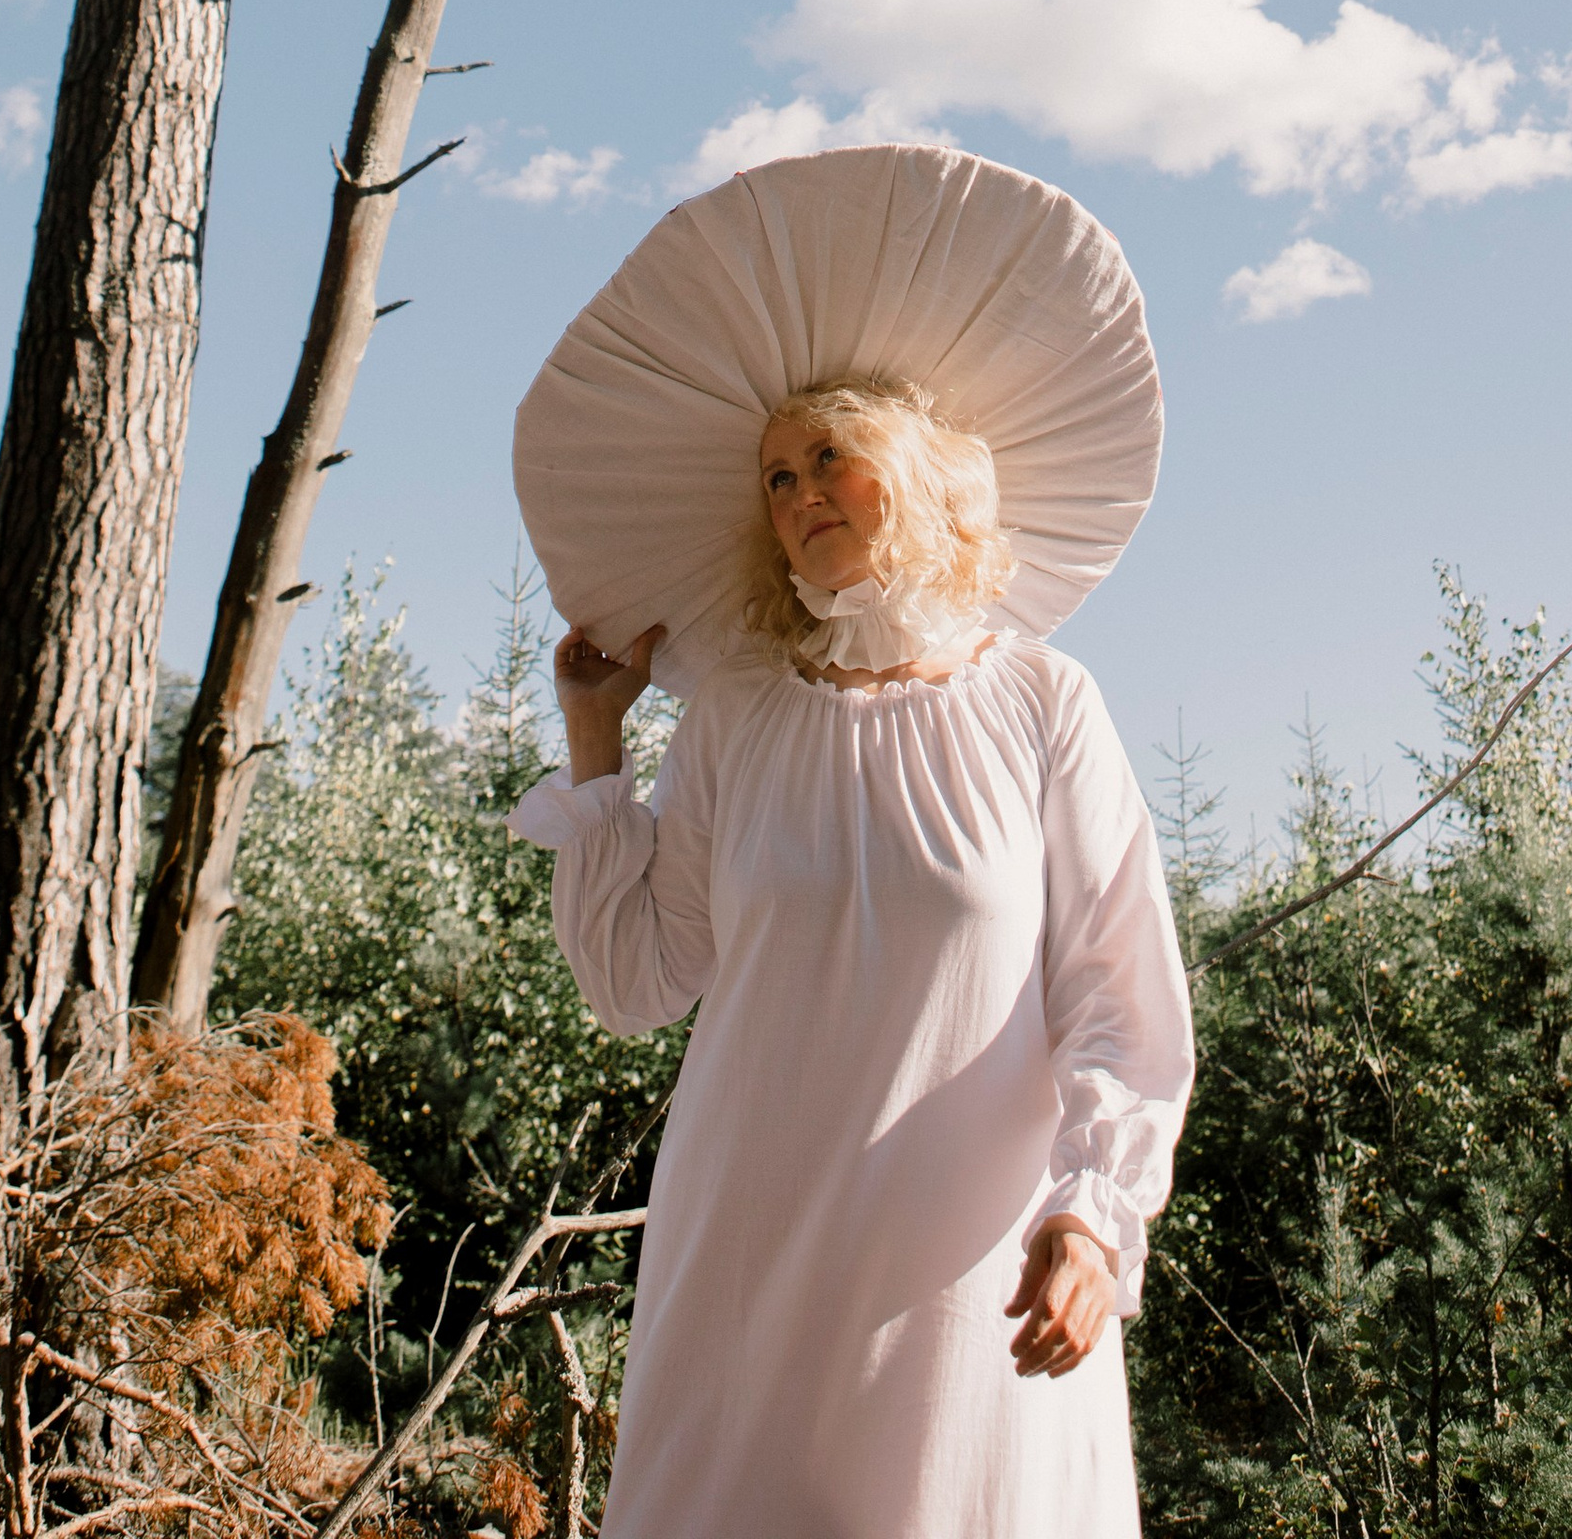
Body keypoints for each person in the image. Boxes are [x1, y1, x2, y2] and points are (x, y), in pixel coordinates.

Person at [508, 141, 1193, 1539]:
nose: (801, 490)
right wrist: (598, 746)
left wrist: (1093, 1219)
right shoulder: (740, 723)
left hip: (969, 1273)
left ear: (925, 475)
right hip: (746, 1257)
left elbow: (1123, 1010)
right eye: (775, 477)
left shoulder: (1042, 702)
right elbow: (634, 984)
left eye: (832, 456)